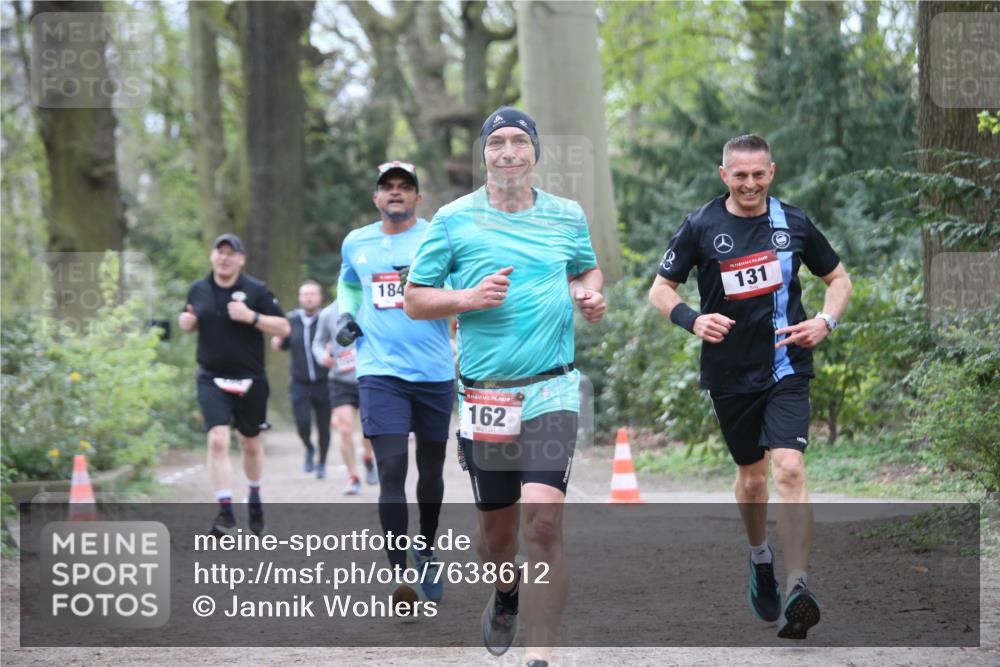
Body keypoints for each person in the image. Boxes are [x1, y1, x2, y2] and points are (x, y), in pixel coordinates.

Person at [405, 107, 605, 667]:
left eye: (520, 142)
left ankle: (540, 656)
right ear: (485, 154)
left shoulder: (566, 216)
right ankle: (506, 592)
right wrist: (467, 298)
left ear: (535, 152)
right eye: (498, 143)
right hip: (486, 397)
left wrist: (589, 296)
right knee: (495, 539)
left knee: (542, 522)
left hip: (552, 390)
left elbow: (587, 270)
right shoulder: (452, 220)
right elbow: (415, 299)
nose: (509, 152)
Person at [648, 134, 852, 640]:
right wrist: (693, 321)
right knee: (754, 478)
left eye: (759, 174)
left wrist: (825, 321)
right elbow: (659, 289)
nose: (750, 183)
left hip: (787, 364)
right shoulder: (701, 225)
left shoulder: (794, 222)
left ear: (772, 172)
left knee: (789, 467)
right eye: (740, 175)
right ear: (724, 176)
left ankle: (799, 585)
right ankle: (760, 557)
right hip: (729, 373)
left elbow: (840, 280)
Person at [335, 160, 455, 603]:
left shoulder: (436, 238)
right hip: (379, 370)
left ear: (418, 198)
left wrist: (427, 293)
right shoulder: (356, 243)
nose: (396, 193)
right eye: (388, 187)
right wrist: (346, 316)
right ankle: (400, 572)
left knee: (430, 469)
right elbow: (348, 286)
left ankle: (426, 548)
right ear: (376, 197)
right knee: (390, 468)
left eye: (406, 187)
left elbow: (459, 290)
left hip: (433, 370)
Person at [178, 233, 290, 537]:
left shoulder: (256, 290)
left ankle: (254, 498)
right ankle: (225, 513)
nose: (225, 257)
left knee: (249, 442)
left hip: (250, 379)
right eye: (220, 252)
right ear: (213, 256)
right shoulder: (198, 289)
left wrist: (252, 317)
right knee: (217, 439)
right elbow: (188, 318)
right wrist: (186, 324)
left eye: (231, 252)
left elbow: (283, 326)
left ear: (241, 259)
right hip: (211, 377)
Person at [312, 294, 377, 494]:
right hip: (339, 380)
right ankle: (353, 476)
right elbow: (317, 343)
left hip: (368, 376)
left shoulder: (370, 304)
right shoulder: (327, 314)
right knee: (345, 429)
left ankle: (368, 457)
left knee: (368, 429)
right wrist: (322, 355)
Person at [271, 280, 331, 479]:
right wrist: (278, 342)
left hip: (325, 382)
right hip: (300, 382)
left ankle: (321, 463)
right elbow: (284, 343)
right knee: (302, 422)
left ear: (320, 297)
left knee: (324, 426)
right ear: (299, 298)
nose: (309, 297)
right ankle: (309, 448)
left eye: (313, 294)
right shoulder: (290, 320)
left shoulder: (326, 318)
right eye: (305, 294)